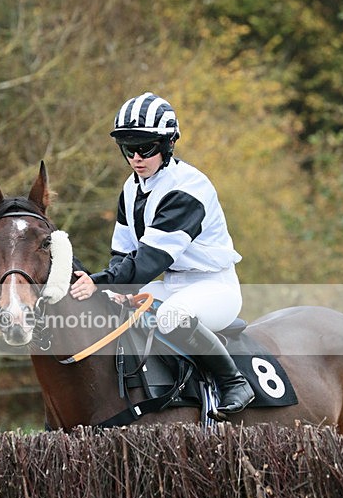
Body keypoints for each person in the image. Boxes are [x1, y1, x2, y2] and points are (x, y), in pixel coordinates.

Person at [70, 91, 254, 417]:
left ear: (168, 145)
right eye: (128, 149)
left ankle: (234, 383)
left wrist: (98, 282)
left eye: (146, 148)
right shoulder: (131, 188)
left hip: (213, 287)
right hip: (171, 285)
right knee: (114, 311)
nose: (136, 158)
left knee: (170, 318)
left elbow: (150, 260)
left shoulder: (188, 188)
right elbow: (123, 253)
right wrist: (114, 289)